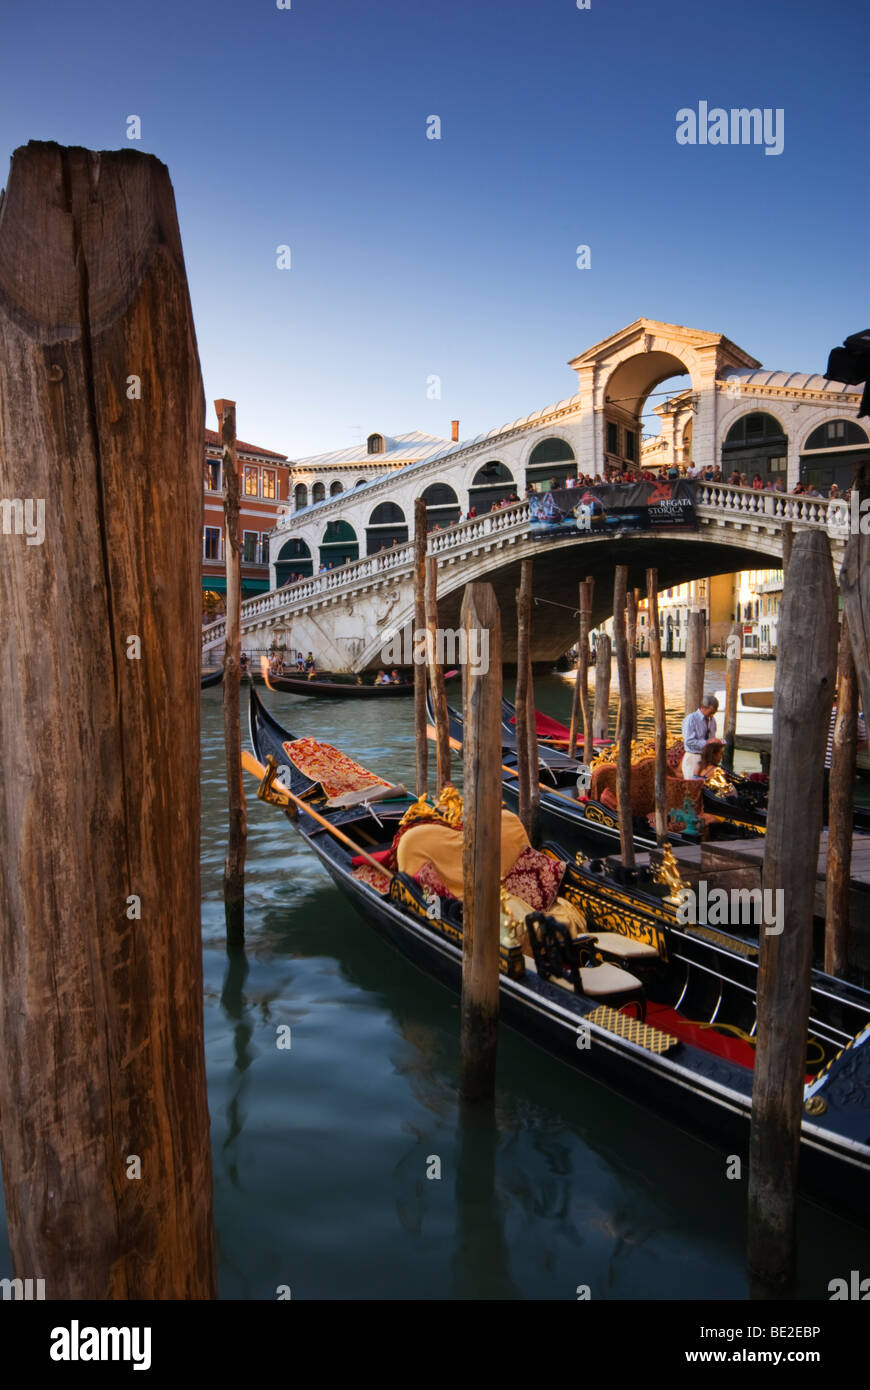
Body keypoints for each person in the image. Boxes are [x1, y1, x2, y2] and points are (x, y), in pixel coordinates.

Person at [680, 693, 720, 779]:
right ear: (703, 707)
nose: (712, 715)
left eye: (714, 712)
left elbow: (712, 738)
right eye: (711, 711)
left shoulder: (712, 720)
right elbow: (689, 742)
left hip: (706, 760)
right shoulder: (691, 719)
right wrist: (707, 742)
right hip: (693, 757)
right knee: (692, 786)